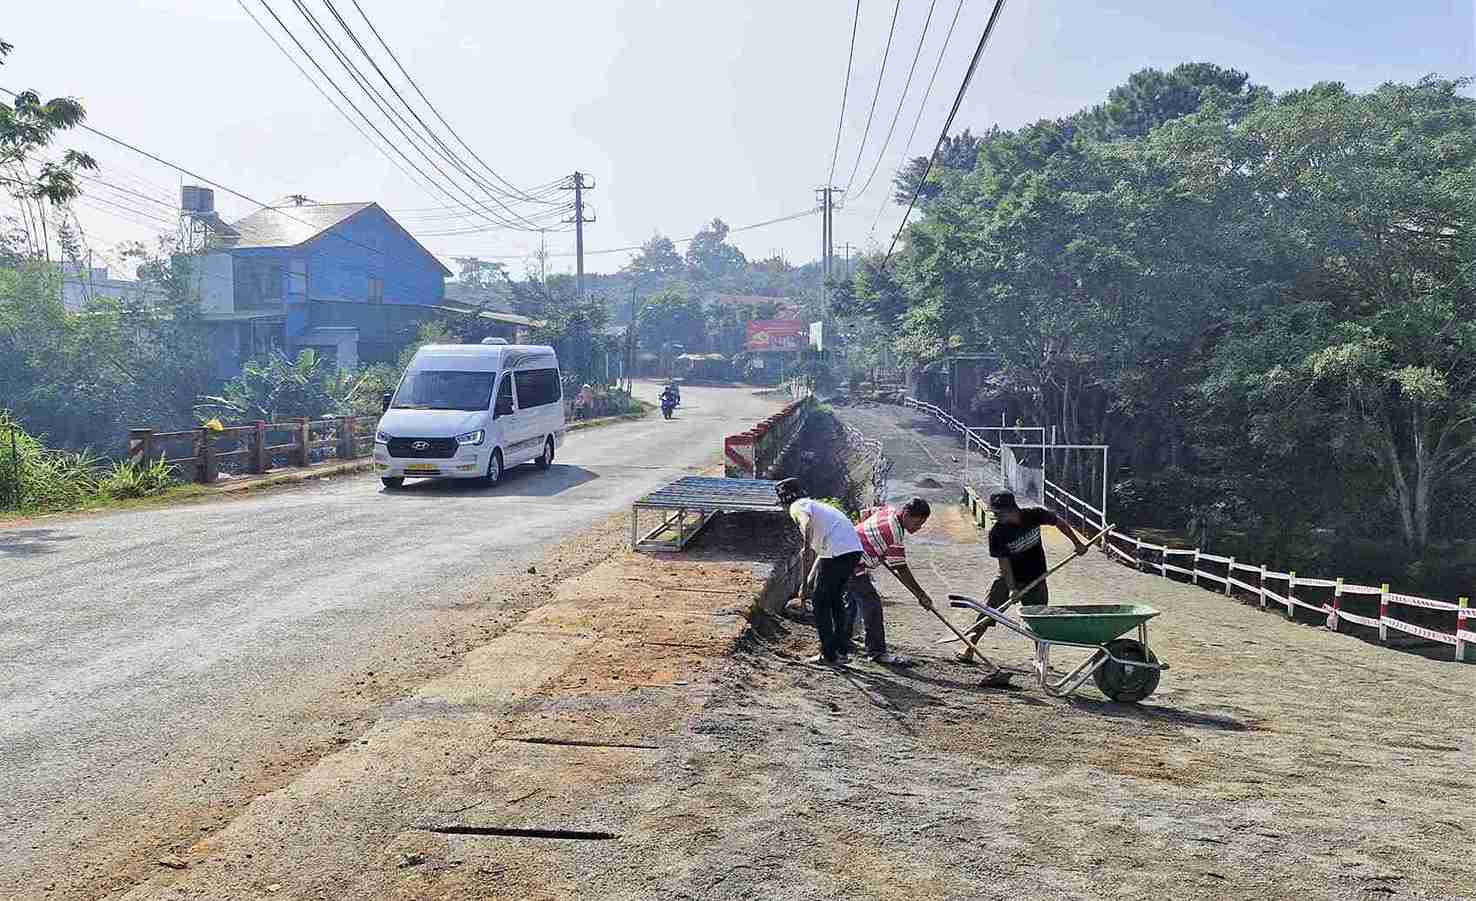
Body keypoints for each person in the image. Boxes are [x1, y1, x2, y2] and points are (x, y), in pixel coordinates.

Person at [956, 490, 1090, 664]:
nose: (995, 516)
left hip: (1036, 578)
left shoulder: (1034, 515)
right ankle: (969, 647)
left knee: (1038, 620)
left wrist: (1077, 543)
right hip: (1008, 578)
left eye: (998, 512)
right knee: (988, 612)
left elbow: (1059, 523)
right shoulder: (997, 533)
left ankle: (1041, 659)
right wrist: (1012, 588)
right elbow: (1003, 564)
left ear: (1011, 509)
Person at [776, 478, 862, 665]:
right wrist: (806, 581)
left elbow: (805, 523)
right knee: (834, 600)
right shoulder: (818, 508)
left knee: (820, 601)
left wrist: (805, 546)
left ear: (784, 501)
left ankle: (828, 654)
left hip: (838, 551)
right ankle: (841, 650)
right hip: (851, 550)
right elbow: (822, 556)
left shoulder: (798, 506)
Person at [844, 497, 935, 666]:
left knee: (852, 601)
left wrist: (870, 540)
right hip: (851, 563)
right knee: (872, 604)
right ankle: (877, 652)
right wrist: (921, 595)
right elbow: (901, 568)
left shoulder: (888, 511)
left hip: (846, 553)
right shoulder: (894, 534)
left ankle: (843, 640)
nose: (919, 527)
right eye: (917, 523)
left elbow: (865, 514)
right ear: (907, 514)